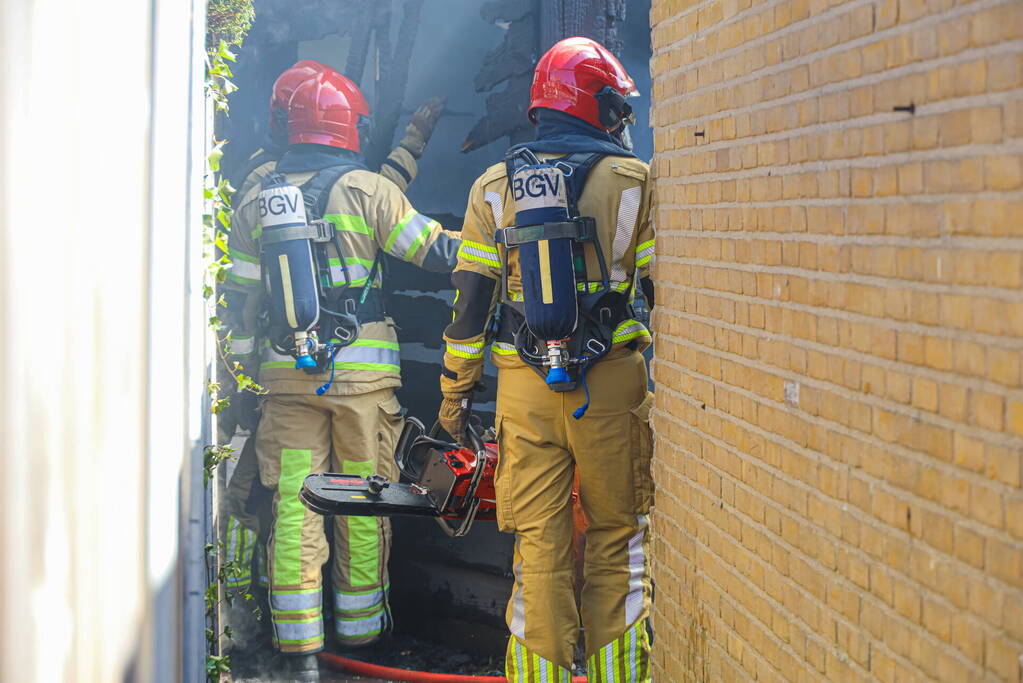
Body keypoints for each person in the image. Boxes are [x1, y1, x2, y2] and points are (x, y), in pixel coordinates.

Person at [224, 64, 460, 681]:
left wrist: (244, 380)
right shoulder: (363, 189)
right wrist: (508, 242)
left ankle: (298, 653)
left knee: (296, 506)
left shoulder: (255, 197)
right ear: (346, 127)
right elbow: (434, 251)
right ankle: (360, 643)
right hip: (360, 388)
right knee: (363, 502)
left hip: (286, 383)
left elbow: (238, 299)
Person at [437, 37, 656, 682]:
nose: (621, 120)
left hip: (524, 392)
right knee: (619, 538)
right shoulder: (635, 182)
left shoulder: (491, 188)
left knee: (539, 550)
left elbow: (470, 309)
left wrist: (454, 402)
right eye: (616, 107)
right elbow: (660, 291)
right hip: (611, 386)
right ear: (596, 104)